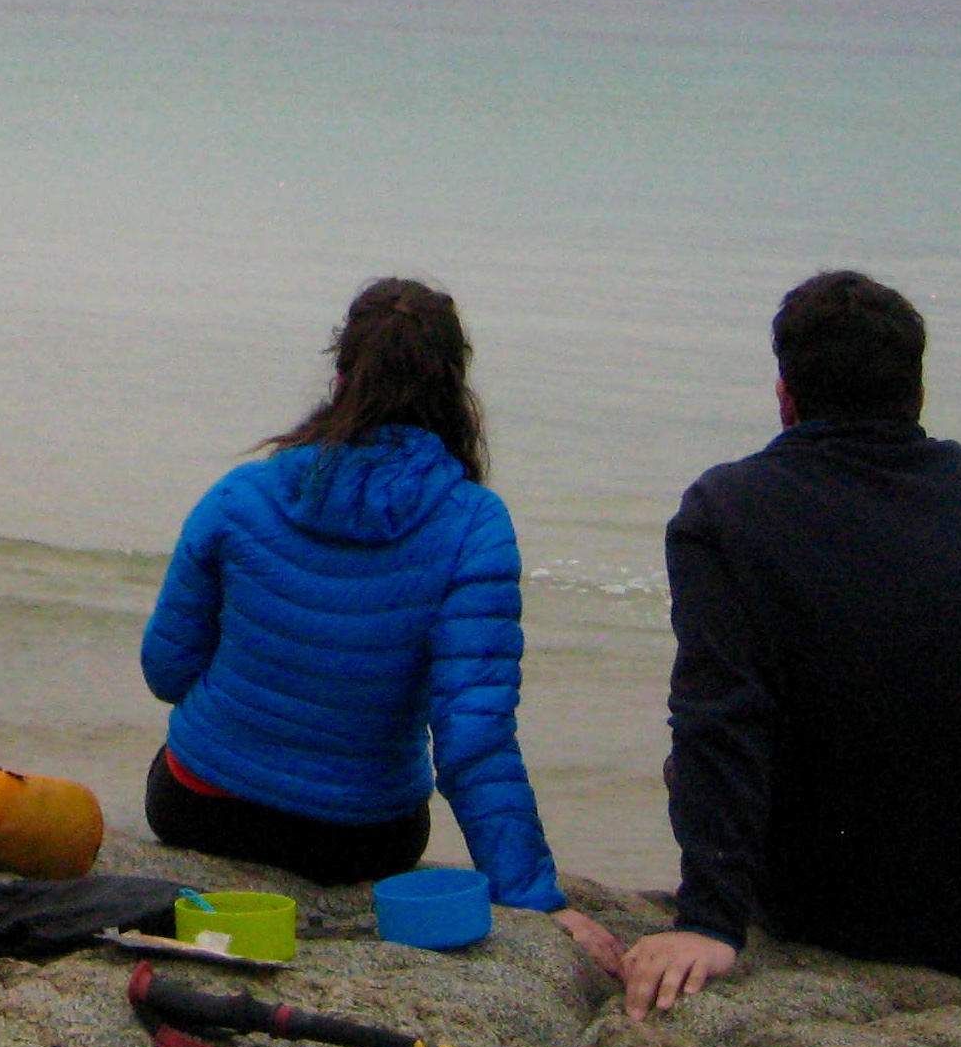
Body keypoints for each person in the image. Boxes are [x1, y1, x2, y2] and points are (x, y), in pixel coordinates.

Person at [623, 271, 961, 1020]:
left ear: (785, 394)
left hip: (839, 911)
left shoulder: (727, 509)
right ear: (914, 390)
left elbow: (719, 717)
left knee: (687, 763)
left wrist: (708, 920)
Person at [140, 278, 624, 971]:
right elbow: (472, 735)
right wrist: (535, 898)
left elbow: (165, 671)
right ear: (455, 393)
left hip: (200, 807)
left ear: (340, 379)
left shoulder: (240, 495)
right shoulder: (472, 524)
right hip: (360, 841)